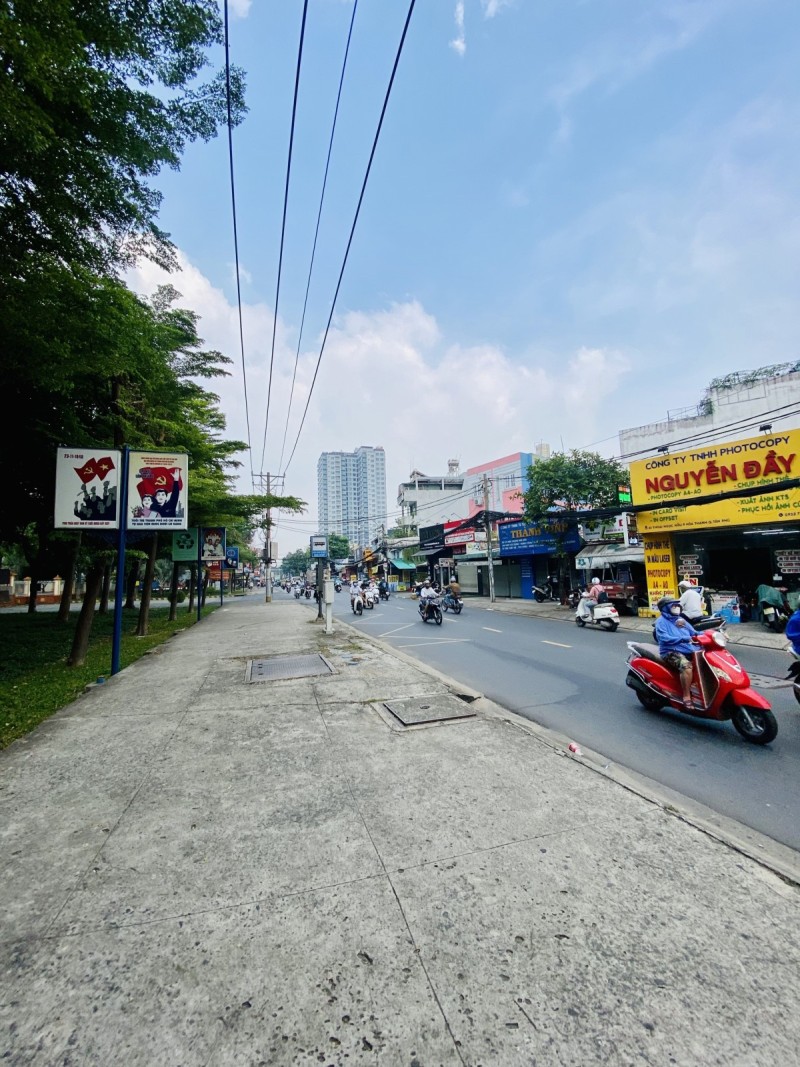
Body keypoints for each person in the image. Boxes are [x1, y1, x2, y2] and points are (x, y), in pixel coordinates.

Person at [654, 596, 700, 709]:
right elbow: (664, 638)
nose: (676, 607)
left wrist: (713, 634)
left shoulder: (680, 620)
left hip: (688, 649)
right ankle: (686, 696)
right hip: (670, 651)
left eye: (677, 605)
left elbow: (694, 632)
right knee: (686, 667)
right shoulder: (660, 622)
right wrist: (682, 639)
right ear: (665, 608)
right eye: (673, 605)